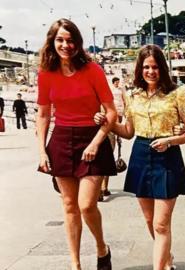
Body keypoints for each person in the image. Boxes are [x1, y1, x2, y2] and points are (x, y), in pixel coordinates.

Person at [95, 44, 185, 270]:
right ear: (139, 69)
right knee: (150, 221)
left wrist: (170, 141)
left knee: (161, 225)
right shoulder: (132, 96)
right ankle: (166, 258)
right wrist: (108, 123)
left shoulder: (178, 93)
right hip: (141, 155)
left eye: (155, 67)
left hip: (167, 157)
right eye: (146, 67)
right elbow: (129, 132)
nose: (150, 71)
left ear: (162, 68)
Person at [36, 18, 117, 270]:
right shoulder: (46, 74)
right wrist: (42, 150)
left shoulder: (93, 70)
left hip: (91, 138)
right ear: (52, 42)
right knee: (69, 205)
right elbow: (43, 114)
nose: (65, 45)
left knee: (86, 204)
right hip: (61, 140)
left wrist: (95, 143)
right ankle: (75, 264)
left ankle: (102, 248)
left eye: (70, 40)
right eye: (60, 40)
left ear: (77, 43)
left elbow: (111, 112)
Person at [99, 77, 127, 201]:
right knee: (107, 159)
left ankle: (102, 188)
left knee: (103, 161)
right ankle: (103, 188)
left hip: (103, 133)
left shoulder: (105, 103)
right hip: (106, 133)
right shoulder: (109, 105)